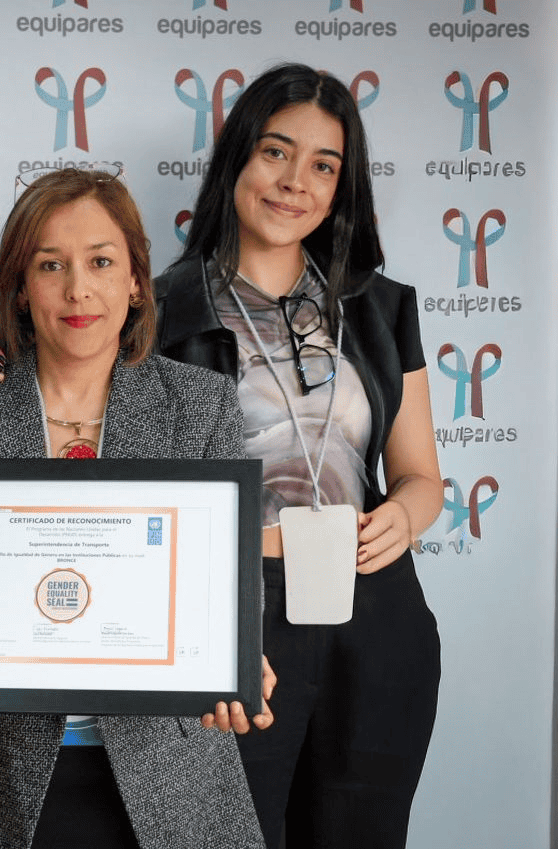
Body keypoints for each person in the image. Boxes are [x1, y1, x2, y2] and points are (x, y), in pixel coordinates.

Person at [0, 167, 268, 849]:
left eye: (101, 261)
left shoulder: (201, 405)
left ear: (135, 280)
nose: (78, 289)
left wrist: (239, 655)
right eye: (51, 265)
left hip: (168, 773)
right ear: (19, 286)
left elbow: (225, 579)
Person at [156, 63, 444, 848]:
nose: (295, 181)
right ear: (238, 160)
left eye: (324, 165)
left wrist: (406, 516)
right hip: (238, 608)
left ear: (342, 187)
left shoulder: (381, 308)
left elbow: (420, 474)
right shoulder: (152, 312)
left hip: (378, 609)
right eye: (276, 152)